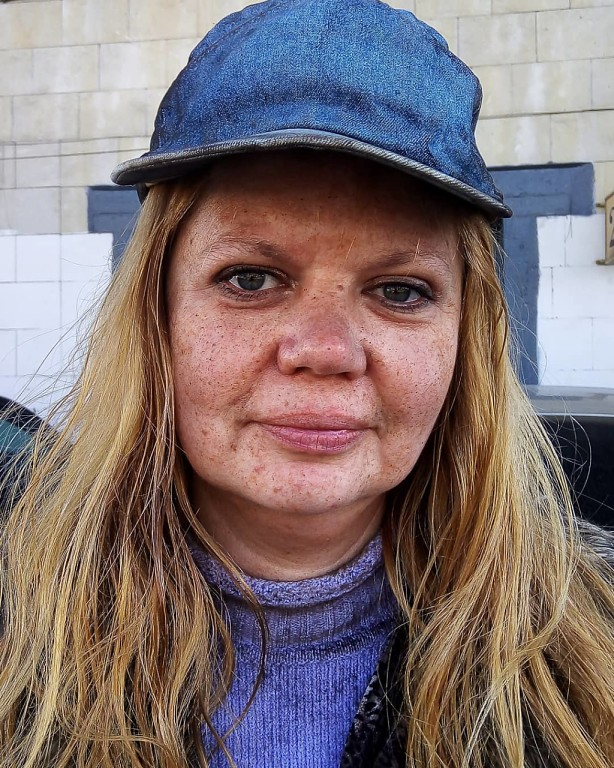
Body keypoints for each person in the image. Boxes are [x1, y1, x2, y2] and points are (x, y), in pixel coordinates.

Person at [1, 1, 613, 766]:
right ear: (157, 314)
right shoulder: (17, 621)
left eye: (400, 291)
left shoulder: (592, 647)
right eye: (250, 278)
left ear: (467, 338)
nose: (324, 351)